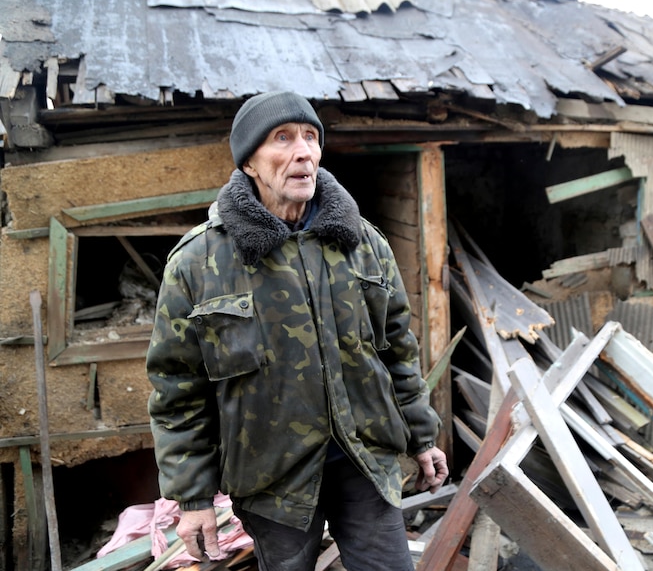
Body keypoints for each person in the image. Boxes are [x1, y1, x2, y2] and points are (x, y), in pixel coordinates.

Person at [147, 90, 449, 571]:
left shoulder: (363, 244)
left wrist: (422, 436)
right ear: (250, 162)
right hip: (271, 478)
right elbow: (176, 390)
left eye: (310, 137)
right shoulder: (199, 262)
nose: (303, 151)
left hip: (364, 462)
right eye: (282, 139)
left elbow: (397, 351)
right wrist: (193, 497)